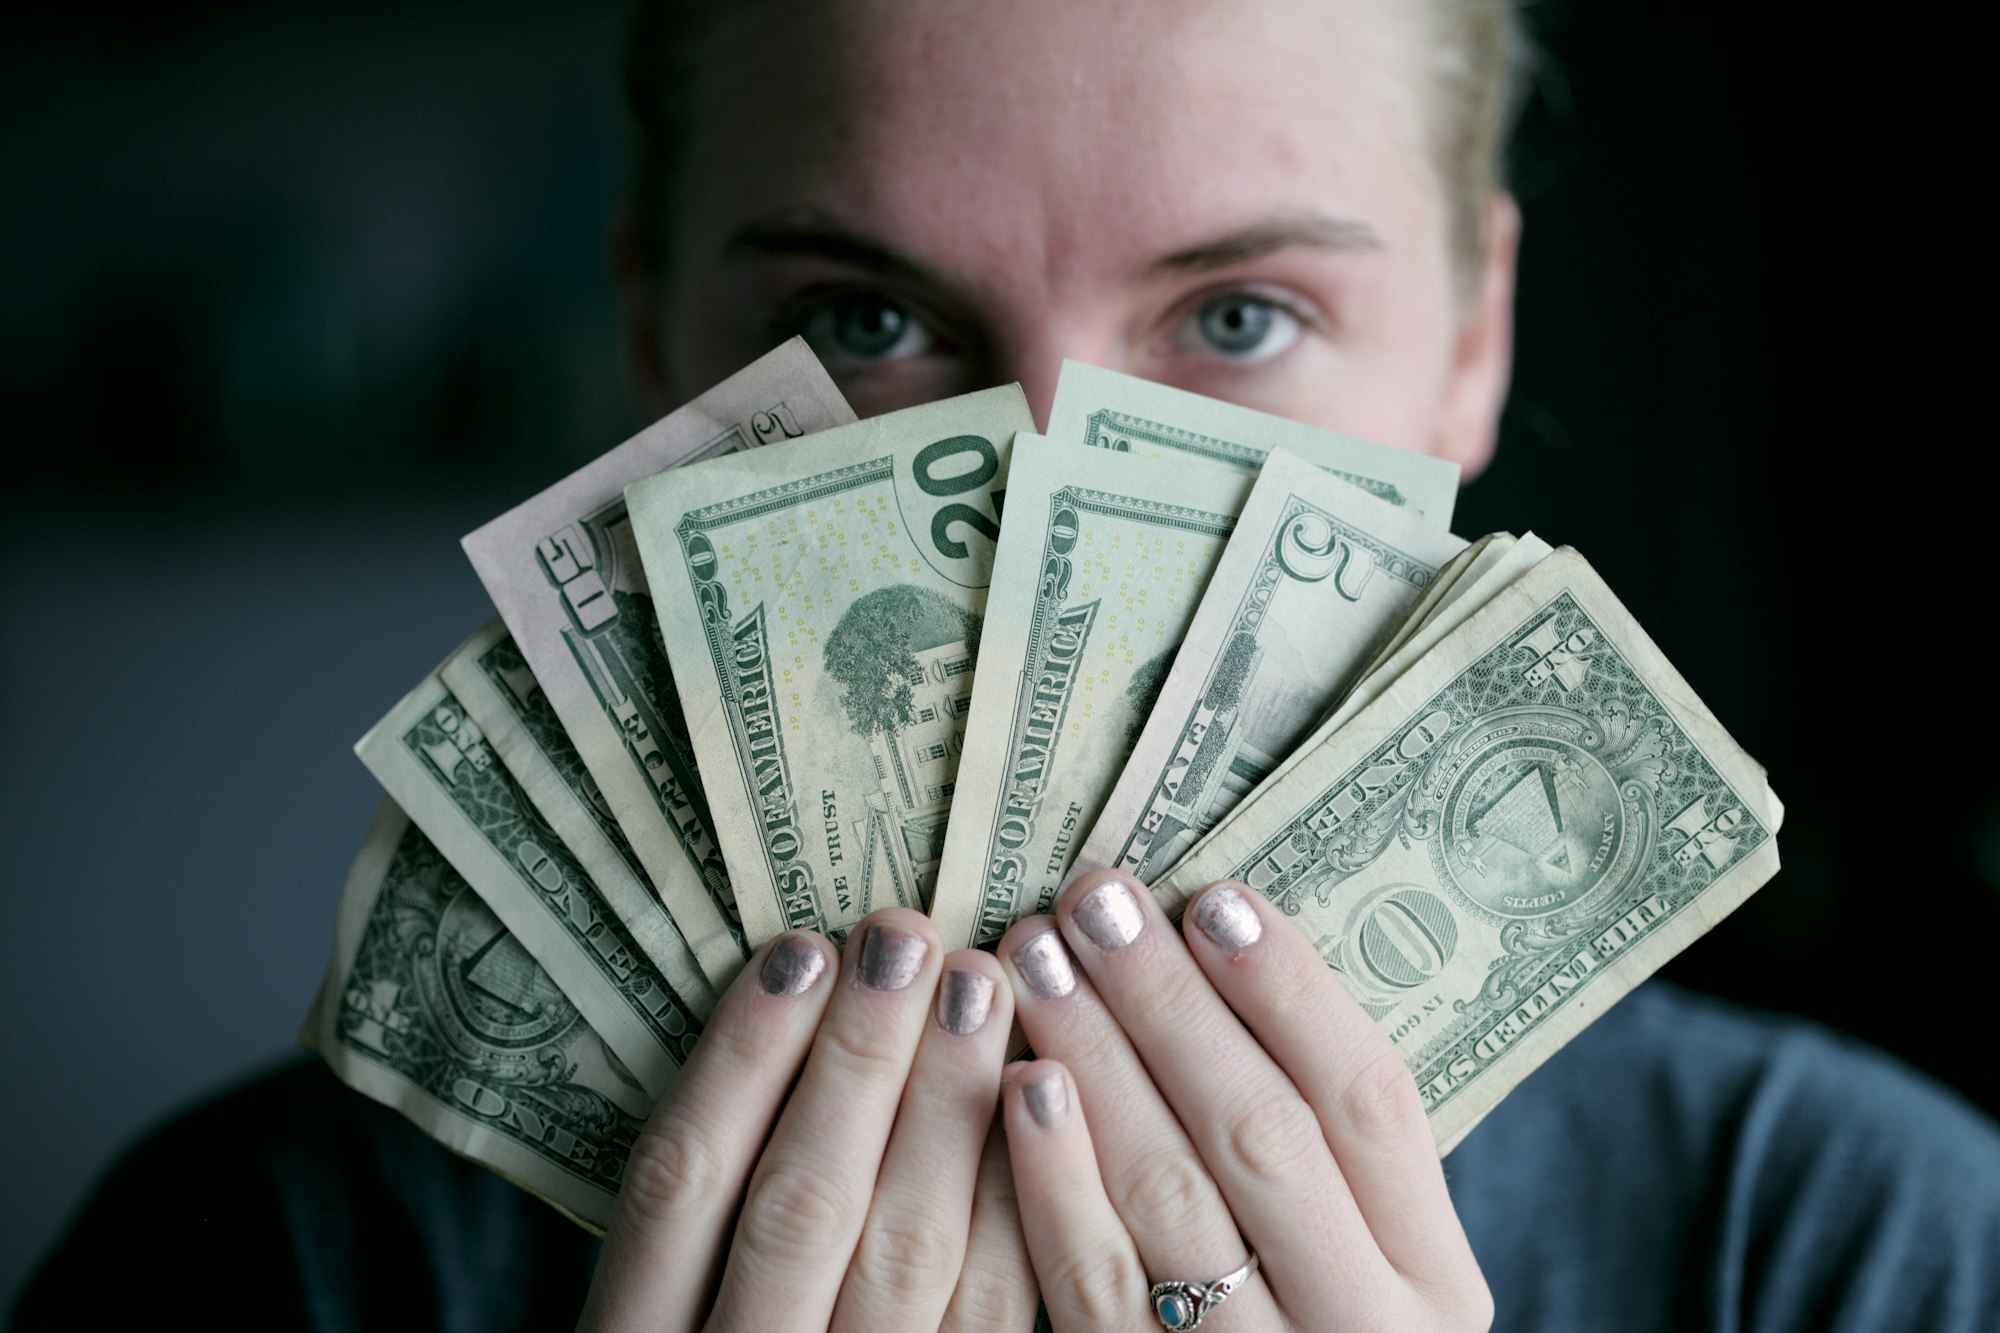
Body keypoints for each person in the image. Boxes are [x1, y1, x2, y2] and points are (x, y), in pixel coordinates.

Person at [16, 1, 2000, 1329]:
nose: (1041, 486)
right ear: (647, 330)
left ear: (1475, 340)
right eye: (866, 312)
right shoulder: (260, 1265)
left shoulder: (1872, 1247)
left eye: (1236, 315)